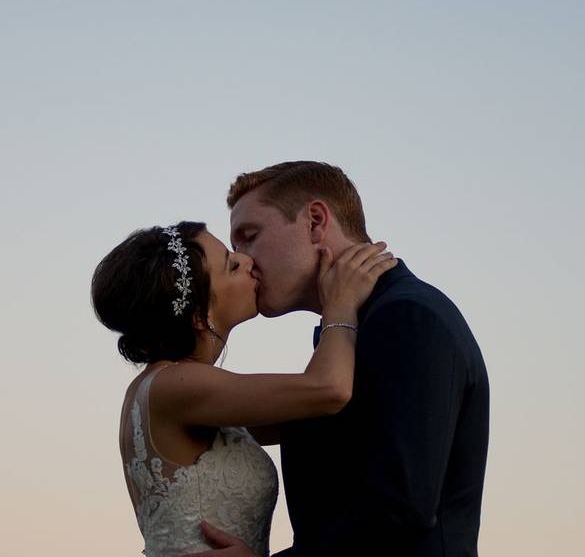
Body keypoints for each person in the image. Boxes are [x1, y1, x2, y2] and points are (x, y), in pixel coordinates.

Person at [191, 161, 489, 556]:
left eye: (249, 236)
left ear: (315, 221)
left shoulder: (407, 316)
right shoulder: (347, 332)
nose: (244, 260)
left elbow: (400, 509)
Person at [91, 221, 397, 556]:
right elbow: (329, 390)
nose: (248, 261)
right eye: (232, 265)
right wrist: (340, 303)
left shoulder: (183, 389)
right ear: (197, 314)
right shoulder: (175, 386)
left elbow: (316, 414)